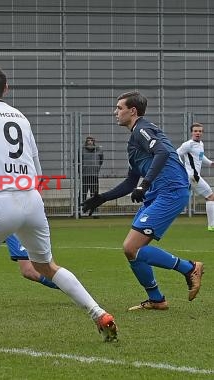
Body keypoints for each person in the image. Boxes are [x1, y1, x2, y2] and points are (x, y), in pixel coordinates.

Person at [0, 64, 117, 345]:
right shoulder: (21, 117)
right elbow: (37, 167)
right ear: (6, 89)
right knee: (47, 266)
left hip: (1, 201)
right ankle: (98, 313)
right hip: (32, 199)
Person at [81, 91, 204, 311]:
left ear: (133, 111)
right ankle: (157, 300)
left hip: (171, 191)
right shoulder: (134, 141)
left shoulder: (143, 129)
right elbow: (130, 181)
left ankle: (190, 268)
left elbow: (163, 153)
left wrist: (144, 185)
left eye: (119, 108)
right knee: (131, 250)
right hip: (157, 193)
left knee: (131, 247)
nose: (115, 112)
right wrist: (102, 198)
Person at [177, 122, 214, 231]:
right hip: (192, 177)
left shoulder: (200, 144)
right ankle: (212, 225)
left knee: (177, 198)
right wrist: (182, 168)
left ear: (202, 133)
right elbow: (176, 154)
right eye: (195, 131)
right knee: (210, 196)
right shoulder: (188, 144)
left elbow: (201, 156)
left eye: (200, 131)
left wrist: (210, 163)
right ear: (191, 132)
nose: (198, 133)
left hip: (193, 176)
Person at [81, 136, 104, 213]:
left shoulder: (99, 150)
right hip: (84, 175)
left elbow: (101, 161)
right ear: (86, 142)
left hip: (94, 175)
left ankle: (95, 211)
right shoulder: (81, 150)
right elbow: (77, 161)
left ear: (94, 142)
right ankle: (79, 210)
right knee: (83, 193)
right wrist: (81, 171)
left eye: (91, 140)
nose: (90, 142)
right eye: (88, 140)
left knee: (94, 194)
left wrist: (96, 168)